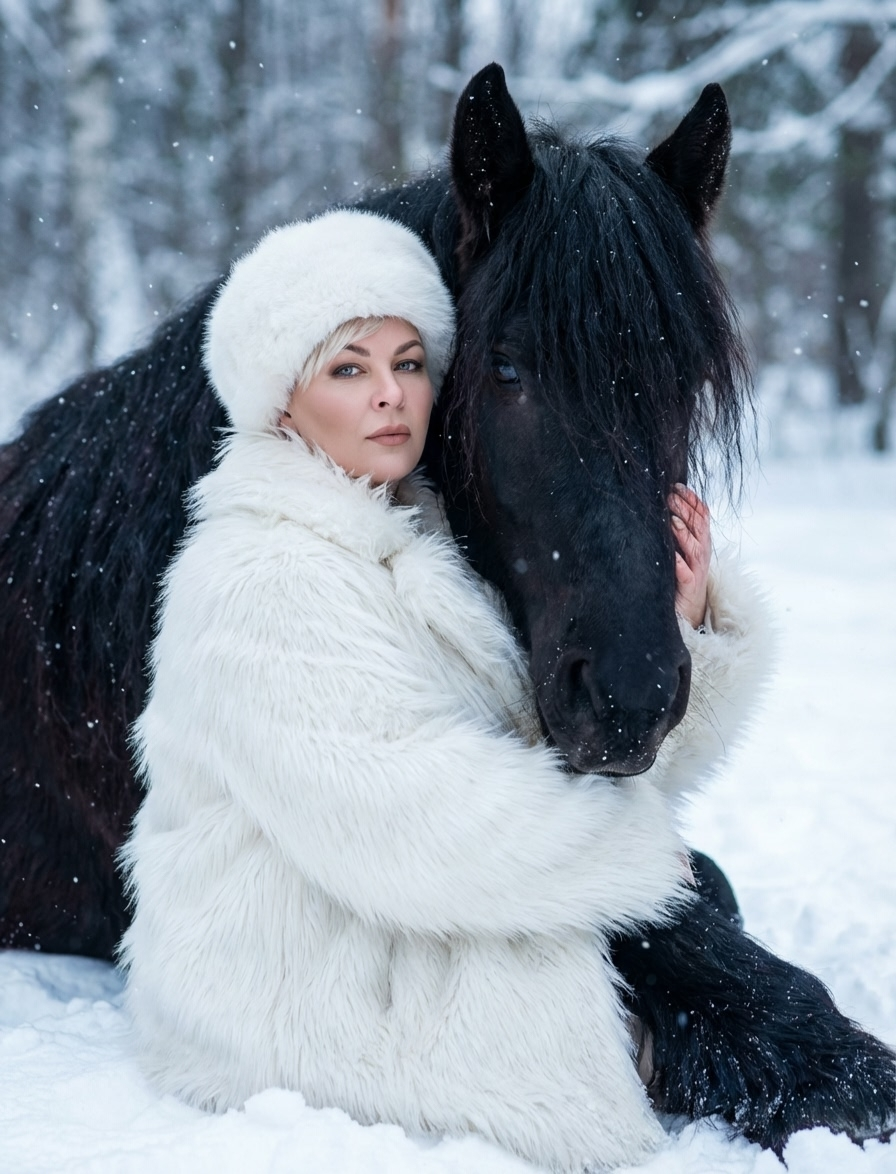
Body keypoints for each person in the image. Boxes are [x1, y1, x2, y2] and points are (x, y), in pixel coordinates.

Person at [120, 209, 771, 1172]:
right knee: (664, 952)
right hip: (292, 975)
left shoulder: (423, 537)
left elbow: (543, 756)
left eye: (410, 362)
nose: (391, 394)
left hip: (384, 904)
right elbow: (409, 818)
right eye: (349, 369)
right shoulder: (258, 572)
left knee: (693, 908)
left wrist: (679, 630)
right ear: (282, 402)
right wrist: (637, 857)